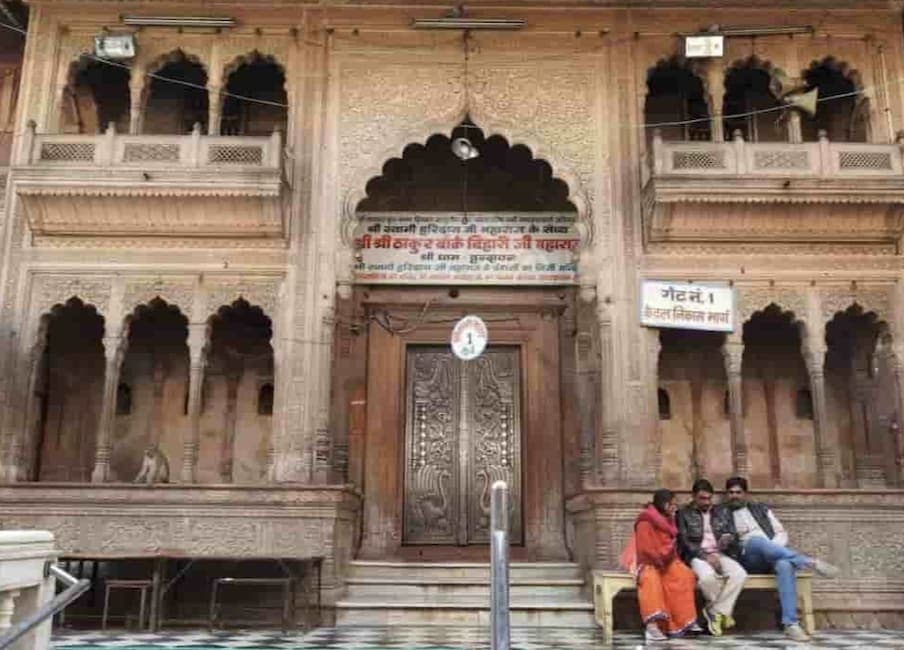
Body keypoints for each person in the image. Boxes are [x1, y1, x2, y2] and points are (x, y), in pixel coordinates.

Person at [725, 476, 839, 642]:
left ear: (746, 493)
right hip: (747, 557)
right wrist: (764, 546)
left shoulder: (761, 509)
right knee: (756, 541)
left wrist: (771, 549)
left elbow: (780, 532)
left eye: (738, 492)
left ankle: (790, 624)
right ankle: (809, 562)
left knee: (785, 565)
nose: (734, 495)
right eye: (731, 492)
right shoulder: (722, 512)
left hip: (771, 553)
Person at [676, 478, 747, 637]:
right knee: (707, 579)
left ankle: (715, 611)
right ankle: (723, 612)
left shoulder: (722, 511)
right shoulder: (683, 513)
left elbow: (733, 534)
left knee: (740, 574)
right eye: (702, 498)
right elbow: (684, 541)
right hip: (697, 555)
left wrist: (727, 541)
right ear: (694, 497)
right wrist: (704, 556)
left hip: (720, 553)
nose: (706, 502)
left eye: (709, 498)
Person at [629, 488, 699, 643]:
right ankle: (653, 626)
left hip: (665, 560)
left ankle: (684, 621)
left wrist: (668, 561)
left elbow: (670, 547)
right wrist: (660, 561)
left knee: (684, 575)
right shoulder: (645, 520)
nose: (675, 507)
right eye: (672, 504)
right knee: (650, 579)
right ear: (664, 504)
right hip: (647, 561)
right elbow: (645, 549)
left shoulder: (669, 520)